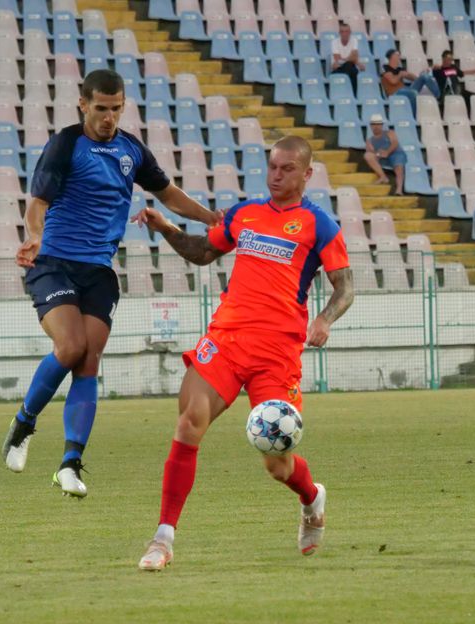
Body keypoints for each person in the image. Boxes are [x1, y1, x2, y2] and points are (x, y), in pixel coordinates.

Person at [133, 135, 355, 571]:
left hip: (277, 354)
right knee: (189, 422)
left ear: (307, 173)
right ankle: (163, 538)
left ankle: (312, 498)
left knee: (277, 465)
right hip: (227, 340)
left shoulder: (319, 224)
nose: (276, 175)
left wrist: (325, 319)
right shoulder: (244, 214)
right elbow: (203, 252)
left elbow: (345, 287)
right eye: (272, 167)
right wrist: (167, 229)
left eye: (287, 169)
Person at [0, 69, 219, 498]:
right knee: (70, 347)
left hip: (99, 270)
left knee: (89, 361)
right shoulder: (65, 144)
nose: (108, 117)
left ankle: (69, 464)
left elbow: (168, 193)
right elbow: (38, 203)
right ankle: (23, 424)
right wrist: (35, 236)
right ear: (83, 104)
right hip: (54, 262)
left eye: (116, 109)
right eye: (101, 108)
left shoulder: (131, 150)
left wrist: (210, 217)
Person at [363, 114, 407, 195]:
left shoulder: (389, 133)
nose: (376, 126)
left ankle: (399, 189)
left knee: (398, 165)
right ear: (371, 126)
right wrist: (379, 154)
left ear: (381, 125)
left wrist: (387, 152)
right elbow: (371, 152)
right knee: (368, 155)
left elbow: (395, 143)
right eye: (374, 124)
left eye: (378, 124)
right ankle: (383, 176)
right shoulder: (370, 140)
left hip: (395, 154)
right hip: (383, 158)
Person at [329, 22, 363, 94]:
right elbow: (338, 59)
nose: (344, 34)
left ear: (350, 32)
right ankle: (353, 94)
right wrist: (352, 60)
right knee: (351, 68)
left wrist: (348, 60)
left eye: (346, 31)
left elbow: (354, 57)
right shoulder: (334, 42)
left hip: (348, 67)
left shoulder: (354, 40)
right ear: (339, 33)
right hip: (338, 68)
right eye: (342, 32)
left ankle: (348, 93)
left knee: (350, 67)